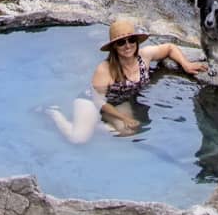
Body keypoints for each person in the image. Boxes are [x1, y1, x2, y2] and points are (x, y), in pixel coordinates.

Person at [47, 17, 205, 144]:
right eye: (121, 42)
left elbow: (170, 47)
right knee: (79, 139)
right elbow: (99, 102)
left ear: (136, 42)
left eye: (131, 40)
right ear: (114, 47)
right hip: (92, 101)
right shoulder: (105, 69)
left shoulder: (145, 56)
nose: (127, 46)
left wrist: (186, 64)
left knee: (129, 131)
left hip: (119, 101)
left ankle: (93, 125)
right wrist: (123, 118)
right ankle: (53, 112)